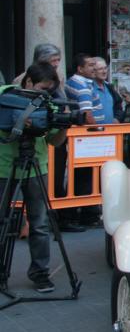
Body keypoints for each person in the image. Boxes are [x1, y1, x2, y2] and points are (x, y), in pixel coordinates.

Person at [0, 61, 68, 293]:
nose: (46, 94)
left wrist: (63, 126)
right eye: (42, 88)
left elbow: (54, 142)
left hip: (37, 166)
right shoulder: (4, 96)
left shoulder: (48, 104)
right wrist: (17, 123)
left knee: (39, 224)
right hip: (3, 168)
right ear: (28, 81)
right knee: (1, 221)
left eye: (50, 90)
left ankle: (40, 273)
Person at [64, 53, 102, 125]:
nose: (95, 68)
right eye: (91, 65)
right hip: (90, 132)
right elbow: (87, 116)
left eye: (94, 65)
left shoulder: (72, 81)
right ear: (80, 69)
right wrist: (98, 130)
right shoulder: (83, 88)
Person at [91, 57, 118, 125]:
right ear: (93, 71)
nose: (104, 71)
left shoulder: (109, 87)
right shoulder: (88, 88)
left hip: (111, 132)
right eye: (100, 69)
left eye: (105, 68)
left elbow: (118, 105)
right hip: (94, 132)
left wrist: (117, 118)